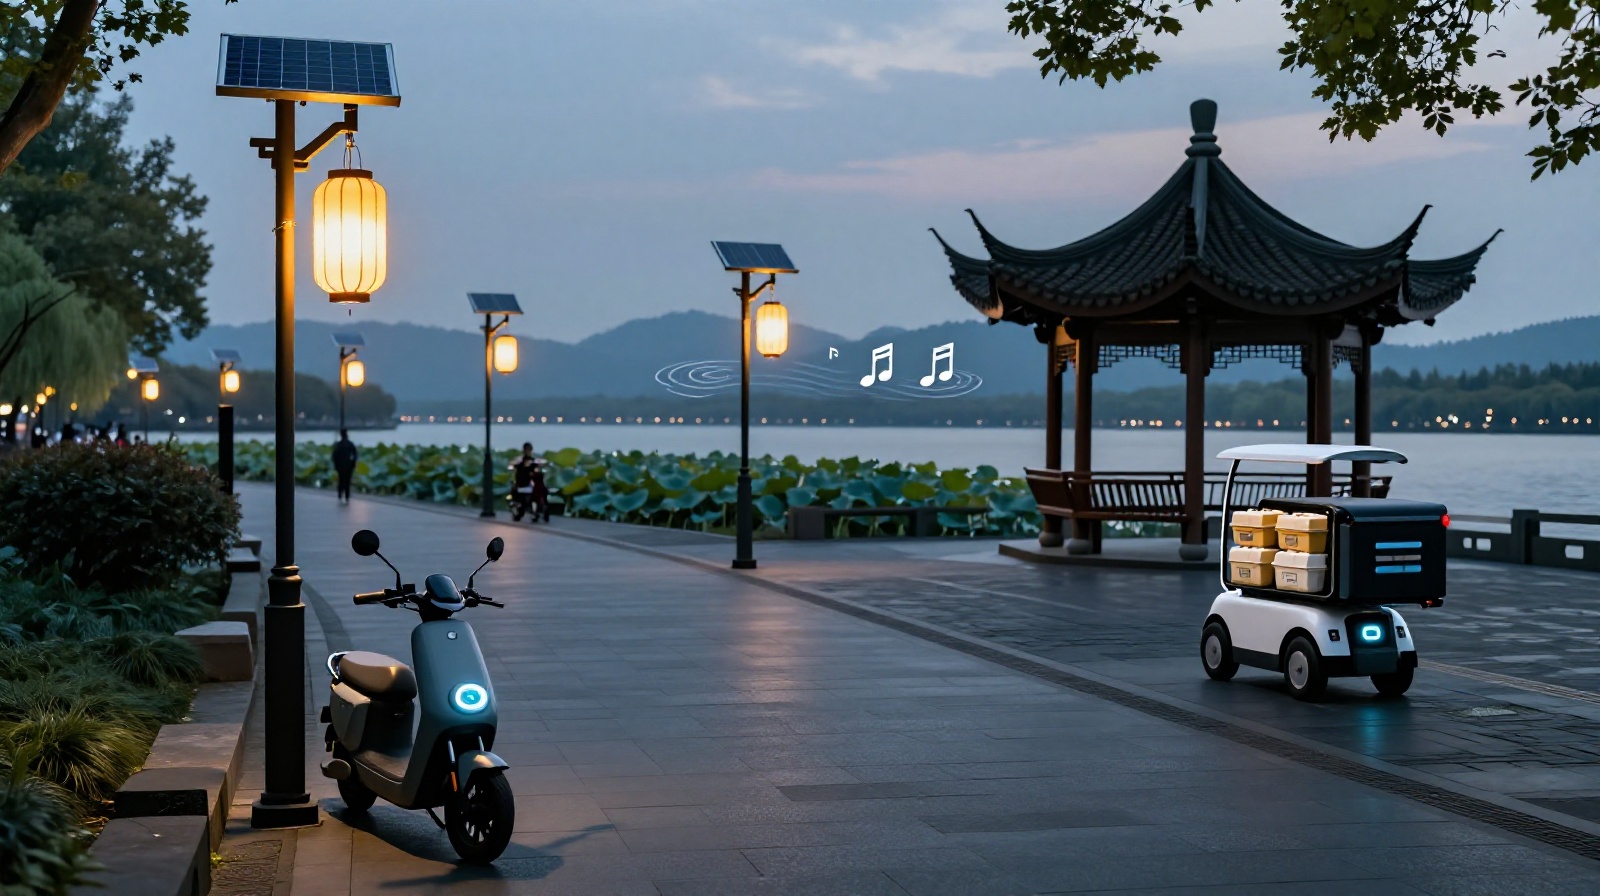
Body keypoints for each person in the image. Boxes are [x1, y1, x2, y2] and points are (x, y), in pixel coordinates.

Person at [508, 442, 549, 522]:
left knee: (543, 490)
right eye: (527, 450)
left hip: (532, 483)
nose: (528, 451)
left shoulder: (534, 462)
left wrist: (539, 468)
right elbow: (513, 467)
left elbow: (538, 468)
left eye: (529, 450)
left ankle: (541, 510)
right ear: (524, 450)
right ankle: (522, 509)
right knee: (520, 495)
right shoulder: (520, 462)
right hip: (522, 483)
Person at [332, 429, 359, 503]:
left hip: (340, 466)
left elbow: (334, 456)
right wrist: (354, 463)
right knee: (347, 481)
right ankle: (347, 496)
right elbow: (355, 454)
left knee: (341, 480)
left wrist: (336, 465)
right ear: (347, 434)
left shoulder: (338, 445)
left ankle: (340, 495)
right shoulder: (350, 444)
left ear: (341, 435)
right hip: (349, 466)